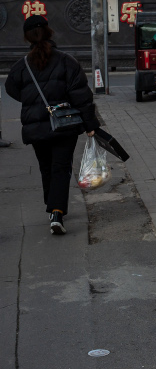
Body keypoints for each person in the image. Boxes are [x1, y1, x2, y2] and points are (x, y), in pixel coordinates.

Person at [4, 15, 99, 235]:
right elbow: (82, 97)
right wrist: (90, 124)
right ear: (49, 32)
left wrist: (31, 102)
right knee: (60, 168)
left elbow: (11, 89)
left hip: (36, 127)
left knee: (46, 167)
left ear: (27, 38)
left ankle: (52, 206)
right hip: (64, 124)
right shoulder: (67, 61)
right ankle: (57, 211)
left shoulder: (21, 66)